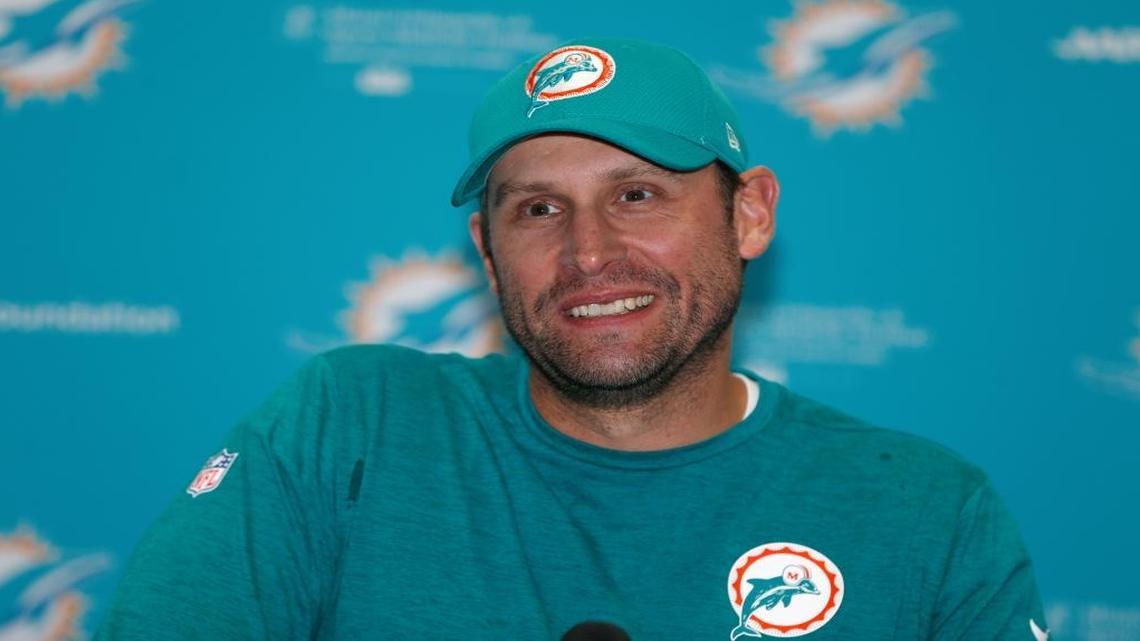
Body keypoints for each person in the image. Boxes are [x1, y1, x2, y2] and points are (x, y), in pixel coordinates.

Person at [95, 38, 1049, 641]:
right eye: (538, 208)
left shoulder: (923, 508)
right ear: (485, 247)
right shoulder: (352, 425)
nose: (589, 253)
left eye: (639, 195)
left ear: (750, 213)